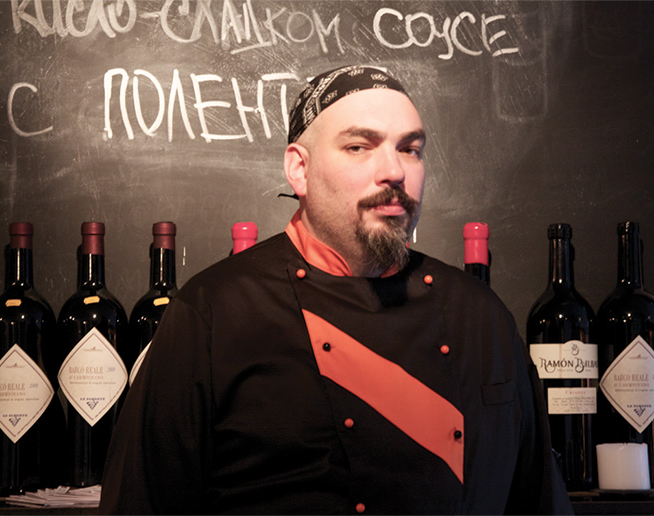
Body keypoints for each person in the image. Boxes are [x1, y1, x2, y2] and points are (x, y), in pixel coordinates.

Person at [99, 65, 573, 514]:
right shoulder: (214, 312)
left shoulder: (481, 315)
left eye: (410, 149)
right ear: (299, 170)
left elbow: (538, 500)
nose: (395, 171)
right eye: (359, 147)